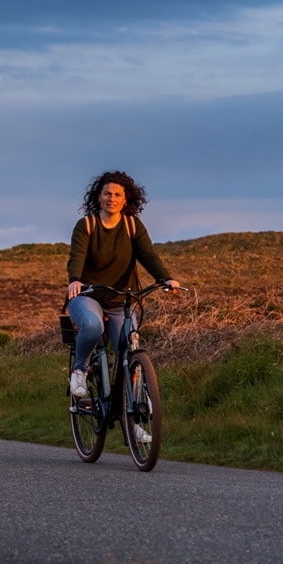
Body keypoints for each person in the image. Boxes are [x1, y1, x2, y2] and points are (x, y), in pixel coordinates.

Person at [66, 171, 178, 411]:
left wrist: (166, 278)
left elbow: (148, 255)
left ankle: (135, 415)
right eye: (107, 193)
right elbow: (77, 256)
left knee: (131, 354)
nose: (112, 198)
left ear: (126, 199)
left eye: (118, 194)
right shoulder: (87, 225)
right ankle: (80, 370)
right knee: (93, 325)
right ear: (98, 197)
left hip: (122, 300)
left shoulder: (131, 225)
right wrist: (75, 279)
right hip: (87, 295)